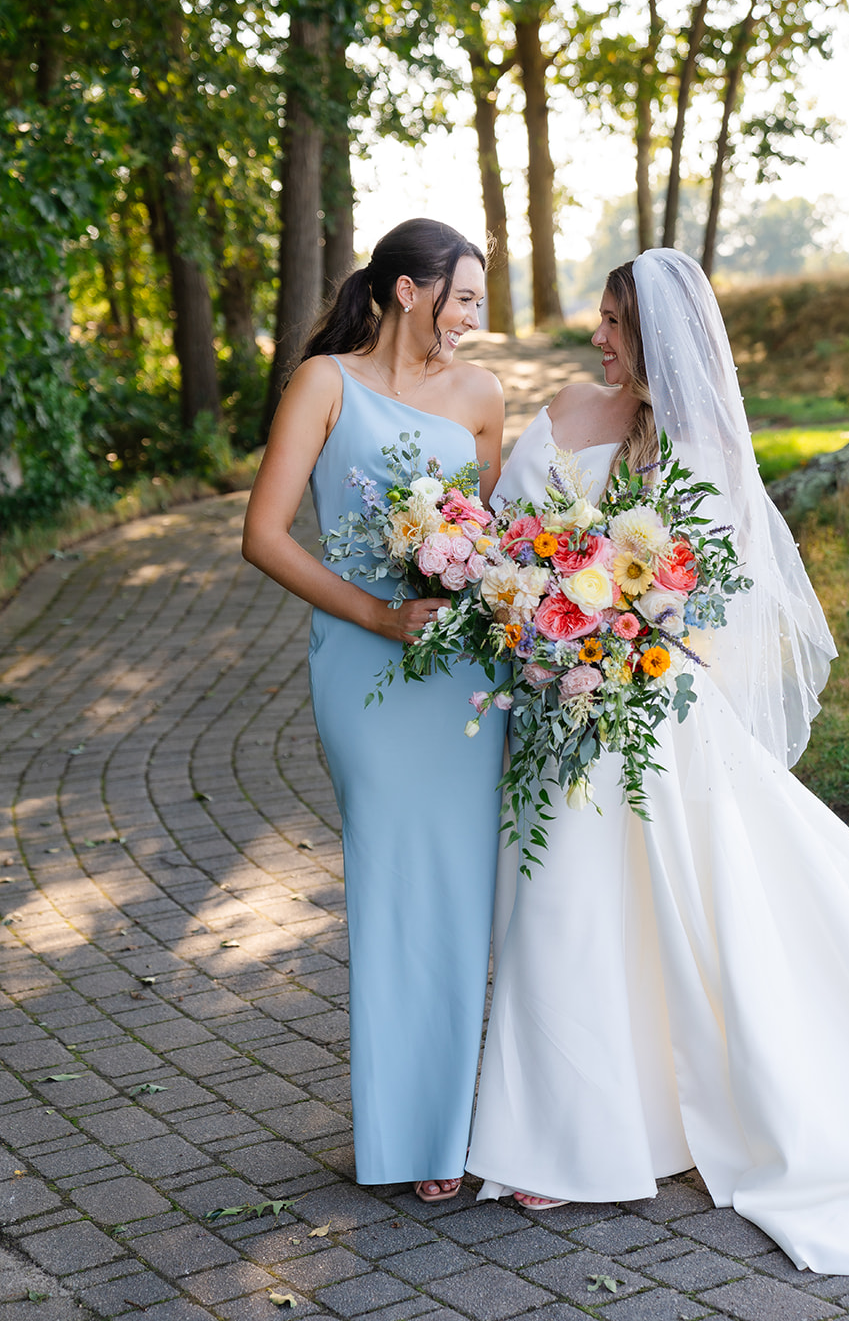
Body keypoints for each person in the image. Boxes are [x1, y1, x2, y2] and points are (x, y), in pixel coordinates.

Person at [466, 247, 849, 1278]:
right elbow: (520, 541)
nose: (598, 337)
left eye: (613, 322)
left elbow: (714, 609)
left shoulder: (702, 451)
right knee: (574, 894)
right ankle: (592, 1120)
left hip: (651, 700)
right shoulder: (580, 414)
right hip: (566, 690)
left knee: (605, 892)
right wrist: (548, 618)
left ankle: (572, 1134)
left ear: (653, 338)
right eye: (601, 321)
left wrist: (618, 634)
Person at [243, 218, 507, 1204]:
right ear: (407, 288)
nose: (476, 319)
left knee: (463, 892)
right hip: (364, 664)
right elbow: (263, 536)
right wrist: (378, 614)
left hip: (461, 673)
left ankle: (461, 1122)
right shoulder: (323, 382)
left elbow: (487, 537)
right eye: (465, 297)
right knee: (392, 886)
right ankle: (406, 1133)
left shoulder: (480, 396)